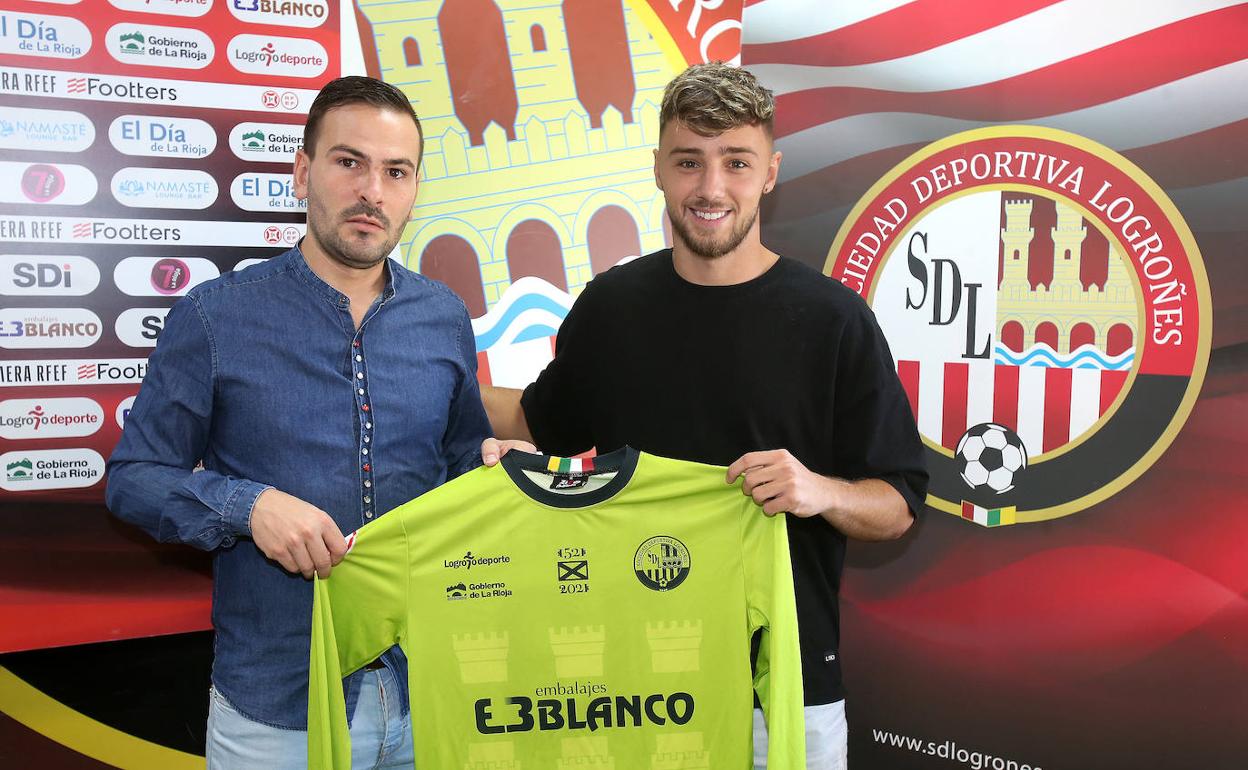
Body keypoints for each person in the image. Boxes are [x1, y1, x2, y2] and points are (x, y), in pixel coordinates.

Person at [481, 62, 928, 769]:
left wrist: (820, 491)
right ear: (658, 168)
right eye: (689, 161)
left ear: (770, 173)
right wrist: (427, 372)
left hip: (784, 692)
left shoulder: (833, 320)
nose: (711, 188)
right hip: (632, 687)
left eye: (736, 162)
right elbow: (538, 425)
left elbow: (897, 506)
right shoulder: (611, 308)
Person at [107, 76, 498, 769]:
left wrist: (500, 471)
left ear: (414, 189)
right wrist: (248, 505)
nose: (372, 191)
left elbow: (462, 459)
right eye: (349, 162)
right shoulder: (214, 316)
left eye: (396, 171)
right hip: (280, 710)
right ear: (302, 172)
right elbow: (134, 480)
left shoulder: (443, 316)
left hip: (432, 691)